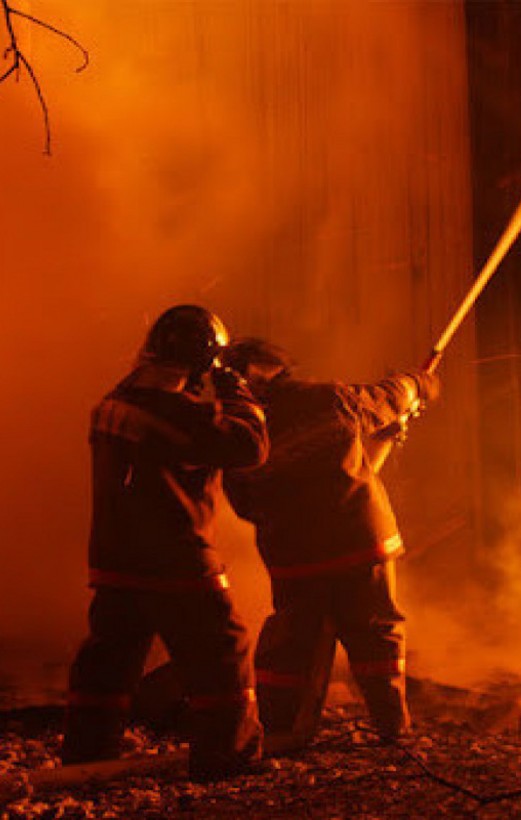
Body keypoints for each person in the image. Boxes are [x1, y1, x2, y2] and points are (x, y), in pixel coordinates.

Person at [62, 304, 267, 781]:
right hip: (175, 561)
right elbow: (249, 446)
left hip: (116, 560)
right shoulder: (178, 415)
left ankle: (86, 759)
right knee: (223, 652)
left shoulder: (115, 402)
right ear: (202, 363)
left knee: (108, 663)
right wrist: (237, 392)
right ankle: (227, 758)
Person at [221, 338, 438, 743]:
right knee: (376, 635)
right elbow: (387, 398)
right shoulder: (328, 400)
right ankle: (393, 728)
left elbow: (245, 505)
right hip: (360, 545)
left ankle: (279, 730)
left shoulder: (240, 432)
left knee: (291, 646)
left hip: (294, 558)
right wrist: (416, 383)